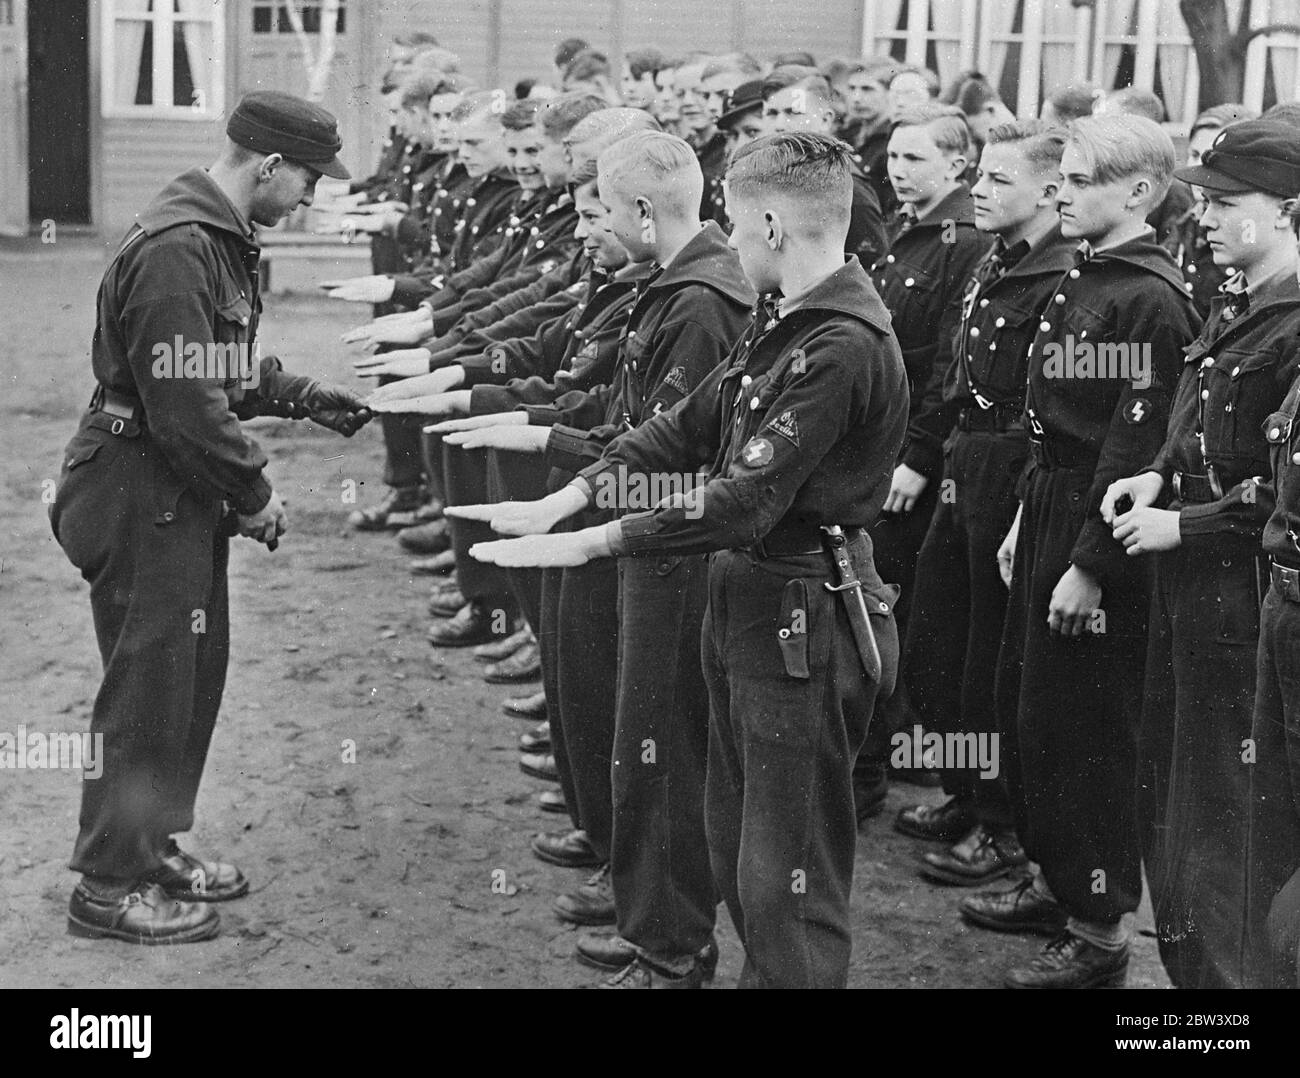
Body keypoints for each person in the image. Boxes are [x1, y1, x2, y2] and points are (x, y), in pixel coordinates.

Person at [457, 131, 908, 988]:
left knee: (789, 882)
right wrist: (575, 492)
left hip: (801, 618)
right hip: (750, 606)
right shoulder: (787, 327)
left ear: (772, 223)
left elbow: (744, 497)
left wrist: (598, 539)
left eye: (735, 226)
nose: (729, 243)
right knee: (741, 848)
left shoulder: (841, 344)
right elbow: (688, 424)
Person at [49, 92, 372, 944]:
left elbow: (211, 363)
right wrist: (255, 492)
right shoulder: (179, 249)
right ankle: (108, 885)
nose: (309, 197)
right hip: (135, 488)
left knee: (188, 678)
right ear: (268, 166)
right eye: (306, 179)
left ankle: (151, 845)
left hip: (168, 487)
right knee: (148, 691)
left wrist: (298, 396)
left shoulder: (216, 237)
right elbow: (186, 404)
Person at [448, 131, 754, 987]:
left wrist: (555, 451)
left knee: (662, 746)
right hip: (635, 530)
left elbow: (668, 446)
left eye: (605, 210)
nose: (594, 226)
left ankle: (672, 944)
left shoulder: (700, 301)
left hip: (662, 545)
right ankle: (650, 916)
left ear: (646, 213)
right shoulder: (672, 287)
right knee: (634, 735)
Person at [963, 113, 1201, 989]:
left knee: (1087, 732)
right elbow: (1057, 422)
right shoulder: (1093, 275)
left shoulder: (1149, 296)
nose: (1059, 193)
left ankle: (1100, 932)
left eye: (1079, 179)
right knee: (1031, 713)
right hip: (1053, 501)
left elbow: (1135, 450)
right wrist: (1032, 522)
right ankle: (1058, 882)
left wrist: (1090, 565)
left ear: (1139, 192)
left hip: (1098, 522)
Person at [1101, 118, 1300, 990]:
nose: (1206, 217)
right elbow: (1198, 428)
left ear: (1290, 211)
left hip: (1239, 594)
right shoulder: (1237, 303)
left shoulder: (1292, 327)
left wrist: (1190, 523)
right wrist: (1156, 476)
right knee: (1171, 806)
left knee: (1227, 826)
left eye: (1227, 204)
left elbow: (1277, 491)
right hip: (1189, 593)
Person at [898, 121, 1074, 886]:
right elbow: (950, 367)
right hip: (966, 459)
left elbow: (1049, 405)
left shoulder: (1060, 277)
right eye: (981, 176)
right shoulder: (994, 262)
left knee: (994, 656)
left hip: (1012, 468)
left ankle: (1000, 824)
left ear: (1048, 191)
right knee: (944, 641)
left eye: (1000, 180)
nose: (980, 189)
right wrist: (929, 454)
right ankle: (965, 789)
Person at [857, 103, 989, 808]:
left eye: (915, 159)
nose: (897, 170)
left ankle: (876, 766)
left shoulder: (963, 242)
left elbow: (947, 365)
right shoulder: (913, 232)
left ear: (956, 165)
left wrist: (918, 453)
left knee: (889, 609)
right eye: (894, 157)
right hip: (886, 442)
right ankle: (884, 757)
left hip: (915, 458)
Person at [1173, 103, 1258, 317]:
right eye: (1194, 154)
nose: (1197, 167)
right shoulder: (1188, 219)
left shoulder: (1251, 232)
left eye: (1211, 158)